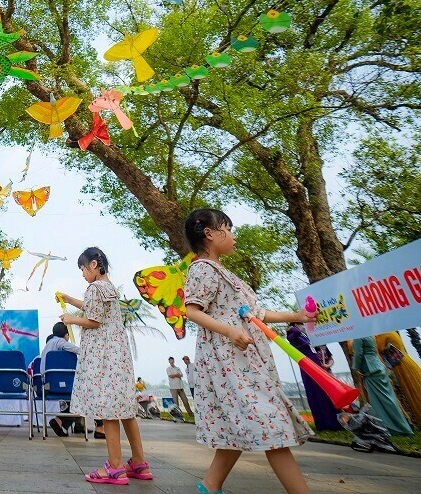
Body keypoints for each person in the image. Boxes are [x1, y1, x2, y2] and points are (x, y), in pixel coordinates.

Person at [182, 209, 315, 494]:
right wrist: (230, 331)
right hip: (230, 362)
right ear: (209, 233)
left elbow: (257, 314)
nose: (233, 235)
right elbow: (192, 310)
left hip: (246, 361)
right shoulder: (202, 269)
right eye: (228, 229)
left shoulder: (224, 273)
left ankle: (209, 485)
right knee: (273, 424)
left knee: (238, 426)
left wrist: (298, 316)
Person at [59, 246, 152, 484]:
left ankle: (116, 467)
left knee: (108, 410)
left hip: (103, 357)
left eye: (83, 268)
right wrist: (70, 299)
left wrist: (70, 318)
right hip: (118, 355)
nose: (82, 274)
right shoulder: (108, 287)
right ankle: (139, 463)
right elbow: (95, 309)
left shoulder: (93, 287)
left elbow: (93, 319)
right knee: (125, 408)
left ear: (93, 264)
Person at [42, 322, 104, 438]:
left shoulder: (48, 345)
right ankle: (99, 427)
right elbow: (80, 351)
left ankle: (65, 423)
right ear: (66, 334)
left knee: (77, 397)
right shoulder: (61, 342)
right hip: (61, 385)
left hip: (48, 385)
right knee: (90, 393)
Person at [351, 335, 412, 436]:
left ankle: (389, 429)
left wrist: (356, 368)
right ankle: (402, 426)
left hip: (370, 370)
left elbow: (358, 354)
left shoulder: (358, 336)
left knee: (378, 402)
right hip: (378, 367)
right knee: (389, 399)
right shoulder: (369, 335)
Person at [285, 324, 342, 431]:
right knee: (317, 396)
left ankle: (336, 422)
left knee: (328, 396)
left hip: (321, 369)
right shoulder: (293, 336)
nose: (303, 326)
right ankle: (324, 423)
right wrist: (293, 328)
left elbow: (328, 355)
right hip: (309, 370)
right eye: (300, 324)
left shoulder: (309, 338)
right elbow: (296, 333)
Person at [375, 331, 421, 428]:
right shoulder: (390, 333)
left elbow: (378, 349)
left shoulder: (384, 336)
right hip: (404, 363)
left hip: (400, 366)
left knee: (410, 390)